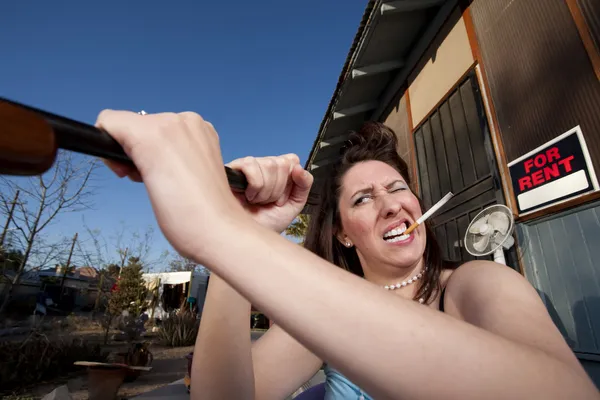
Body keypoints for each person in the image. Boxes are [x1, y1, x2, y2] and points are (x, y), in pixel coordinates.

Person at [97, 110, 599, 400]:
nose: (390, 206)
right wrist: (238, 249)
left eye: (398, 188)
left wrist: (220, 230)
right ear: (342, 235)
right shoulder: (322, 316)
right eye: (363, 199)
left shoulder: (473, 285)